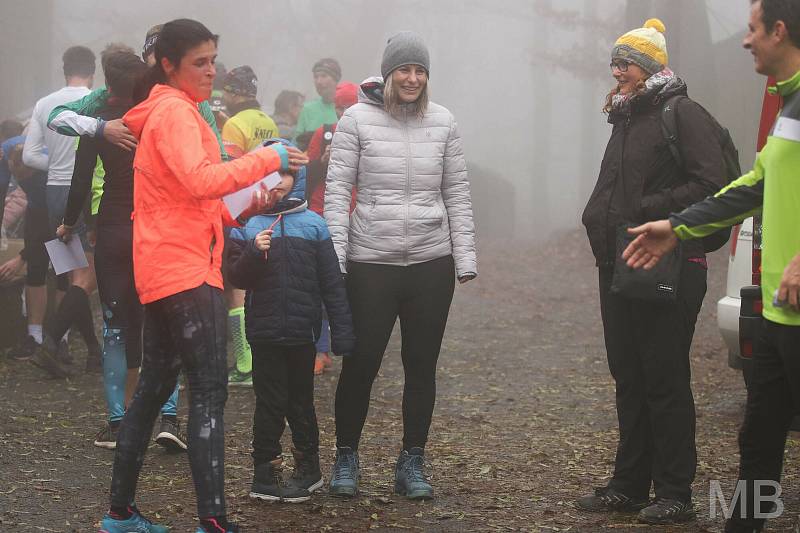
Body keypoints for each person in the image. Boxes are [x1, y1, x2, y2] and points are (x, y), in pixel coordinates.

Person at [96, 19, 307, 533]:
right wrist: (267, 157)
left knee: (151, 393)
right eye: (199, 62)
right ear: (168, 66)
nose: (212, 70)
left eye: (214, 59)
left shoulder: (176, 112)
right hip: (186, 272)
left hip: (168, 267)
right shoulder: (174, 112)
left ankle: (120, 514)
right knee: (210, 390)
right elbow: (201, 180)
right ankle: (212, 523)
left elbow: (194, 198)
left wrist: (262, 196)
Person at [621, 2, 800, 531]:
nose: (745, 41)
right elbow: (753, 188)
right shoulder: (787, 107)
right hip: (775, 315)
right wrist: (676, 227)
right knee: (759, 442)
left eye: (752, 29)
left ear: (780, 31)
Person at [576, 18, 730, 525]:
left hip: (670, 264)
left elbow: (713, 185)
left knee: (663, 377)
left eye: (627, 63)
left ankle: (674, 491)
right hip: (620, 264)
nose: (617, 71)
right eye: (615, 63)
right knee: (629, 376)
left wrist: (647, 210)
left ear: (649, 68)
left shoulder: (680, 112)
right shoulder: (625, 117)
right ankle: (628, 484)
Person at [324, 32, 477, 500]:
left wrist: (465, 257)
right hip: (371, 261)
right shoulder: (356, 120)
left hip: (431, 262)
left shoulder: (443, 121)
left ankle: (412, 460)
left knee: (421, 365)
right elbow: (336, 191)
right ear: (388, 74)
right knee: (362, 362)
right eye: (404, 70)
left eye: (419, 71)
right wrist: (336, 258)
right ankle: (346, 456)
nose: (412, 79)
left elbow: (457, 192)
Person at [57, 46, 187, 451]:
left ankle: (118, 422)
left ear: (107, 84)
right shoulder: (159, 118)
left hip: (114, 229)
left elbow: (80, 181)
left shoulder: (102, 126)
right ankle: (168, 417)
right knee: (162, 321)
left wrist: (67, 223)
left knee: (116, 325)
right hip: (157, 227)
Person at [226, 139, 355, 503]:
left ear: (297, 176)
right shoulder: (248, 225)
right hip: (264, 333)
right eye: (270, 172)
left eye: (285, 172)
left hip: (303, 333)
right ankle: (265, 471)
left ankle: (308, 468)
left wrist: (341, 335)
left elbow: (332, 285)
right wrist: (253, 252)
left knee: (301, 402)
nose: (278, 180)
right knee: (268, 402)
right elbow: (237, 278)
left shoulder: (314, 226)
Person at [22, 45, 102, 376]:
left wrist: (54, 163)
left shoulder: (44, 104)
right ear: (93, 71)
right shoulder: (96, 100)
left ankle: (92, 352)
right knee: (88, 277)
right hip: (84, 192)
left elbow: (28, 157)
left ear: (64, 69)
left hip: (54, 191)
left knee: (72, 276)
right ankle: (52, 341)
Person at [46, 24, 229, 161]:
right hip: (121, 201)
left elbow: (219, 156)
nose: (163, 66)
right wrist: (101, 128)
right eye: (156, 58)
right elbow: (56, 118)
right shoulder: (120, 90)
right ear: (144, 60)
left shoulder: (195, 100)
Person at [220, 65, 279, 387]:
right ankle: (256, 359)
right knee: (257, 287)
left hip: (238, 211)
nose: (224, 97)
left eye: (227, 91)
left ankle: (244, 364)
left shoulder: (234, 123)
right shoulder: (268, 121)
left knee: (234, 289)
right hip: (267, 205)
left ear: (234, 92)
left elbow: (231, 171)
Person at [305, 81, 359, 375]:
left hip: (354, 215)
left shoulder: (368, 133)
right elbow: (306, 173)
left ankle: (345, 345)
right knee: (318, 282)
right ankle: (320, 349)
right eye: (340, 107)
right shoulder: (323, 134)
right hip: (319, 212)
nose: (343, 112)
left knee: (346, 285)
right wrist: (322, 163)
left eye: (349, 106)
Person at [293, 57, 340, 147]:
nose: (318, 81)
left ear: (336, 79)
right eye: (316, 77)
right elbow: (295, 144)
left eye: (324, 76)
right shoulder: (307, 109)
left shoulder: (347, 109)